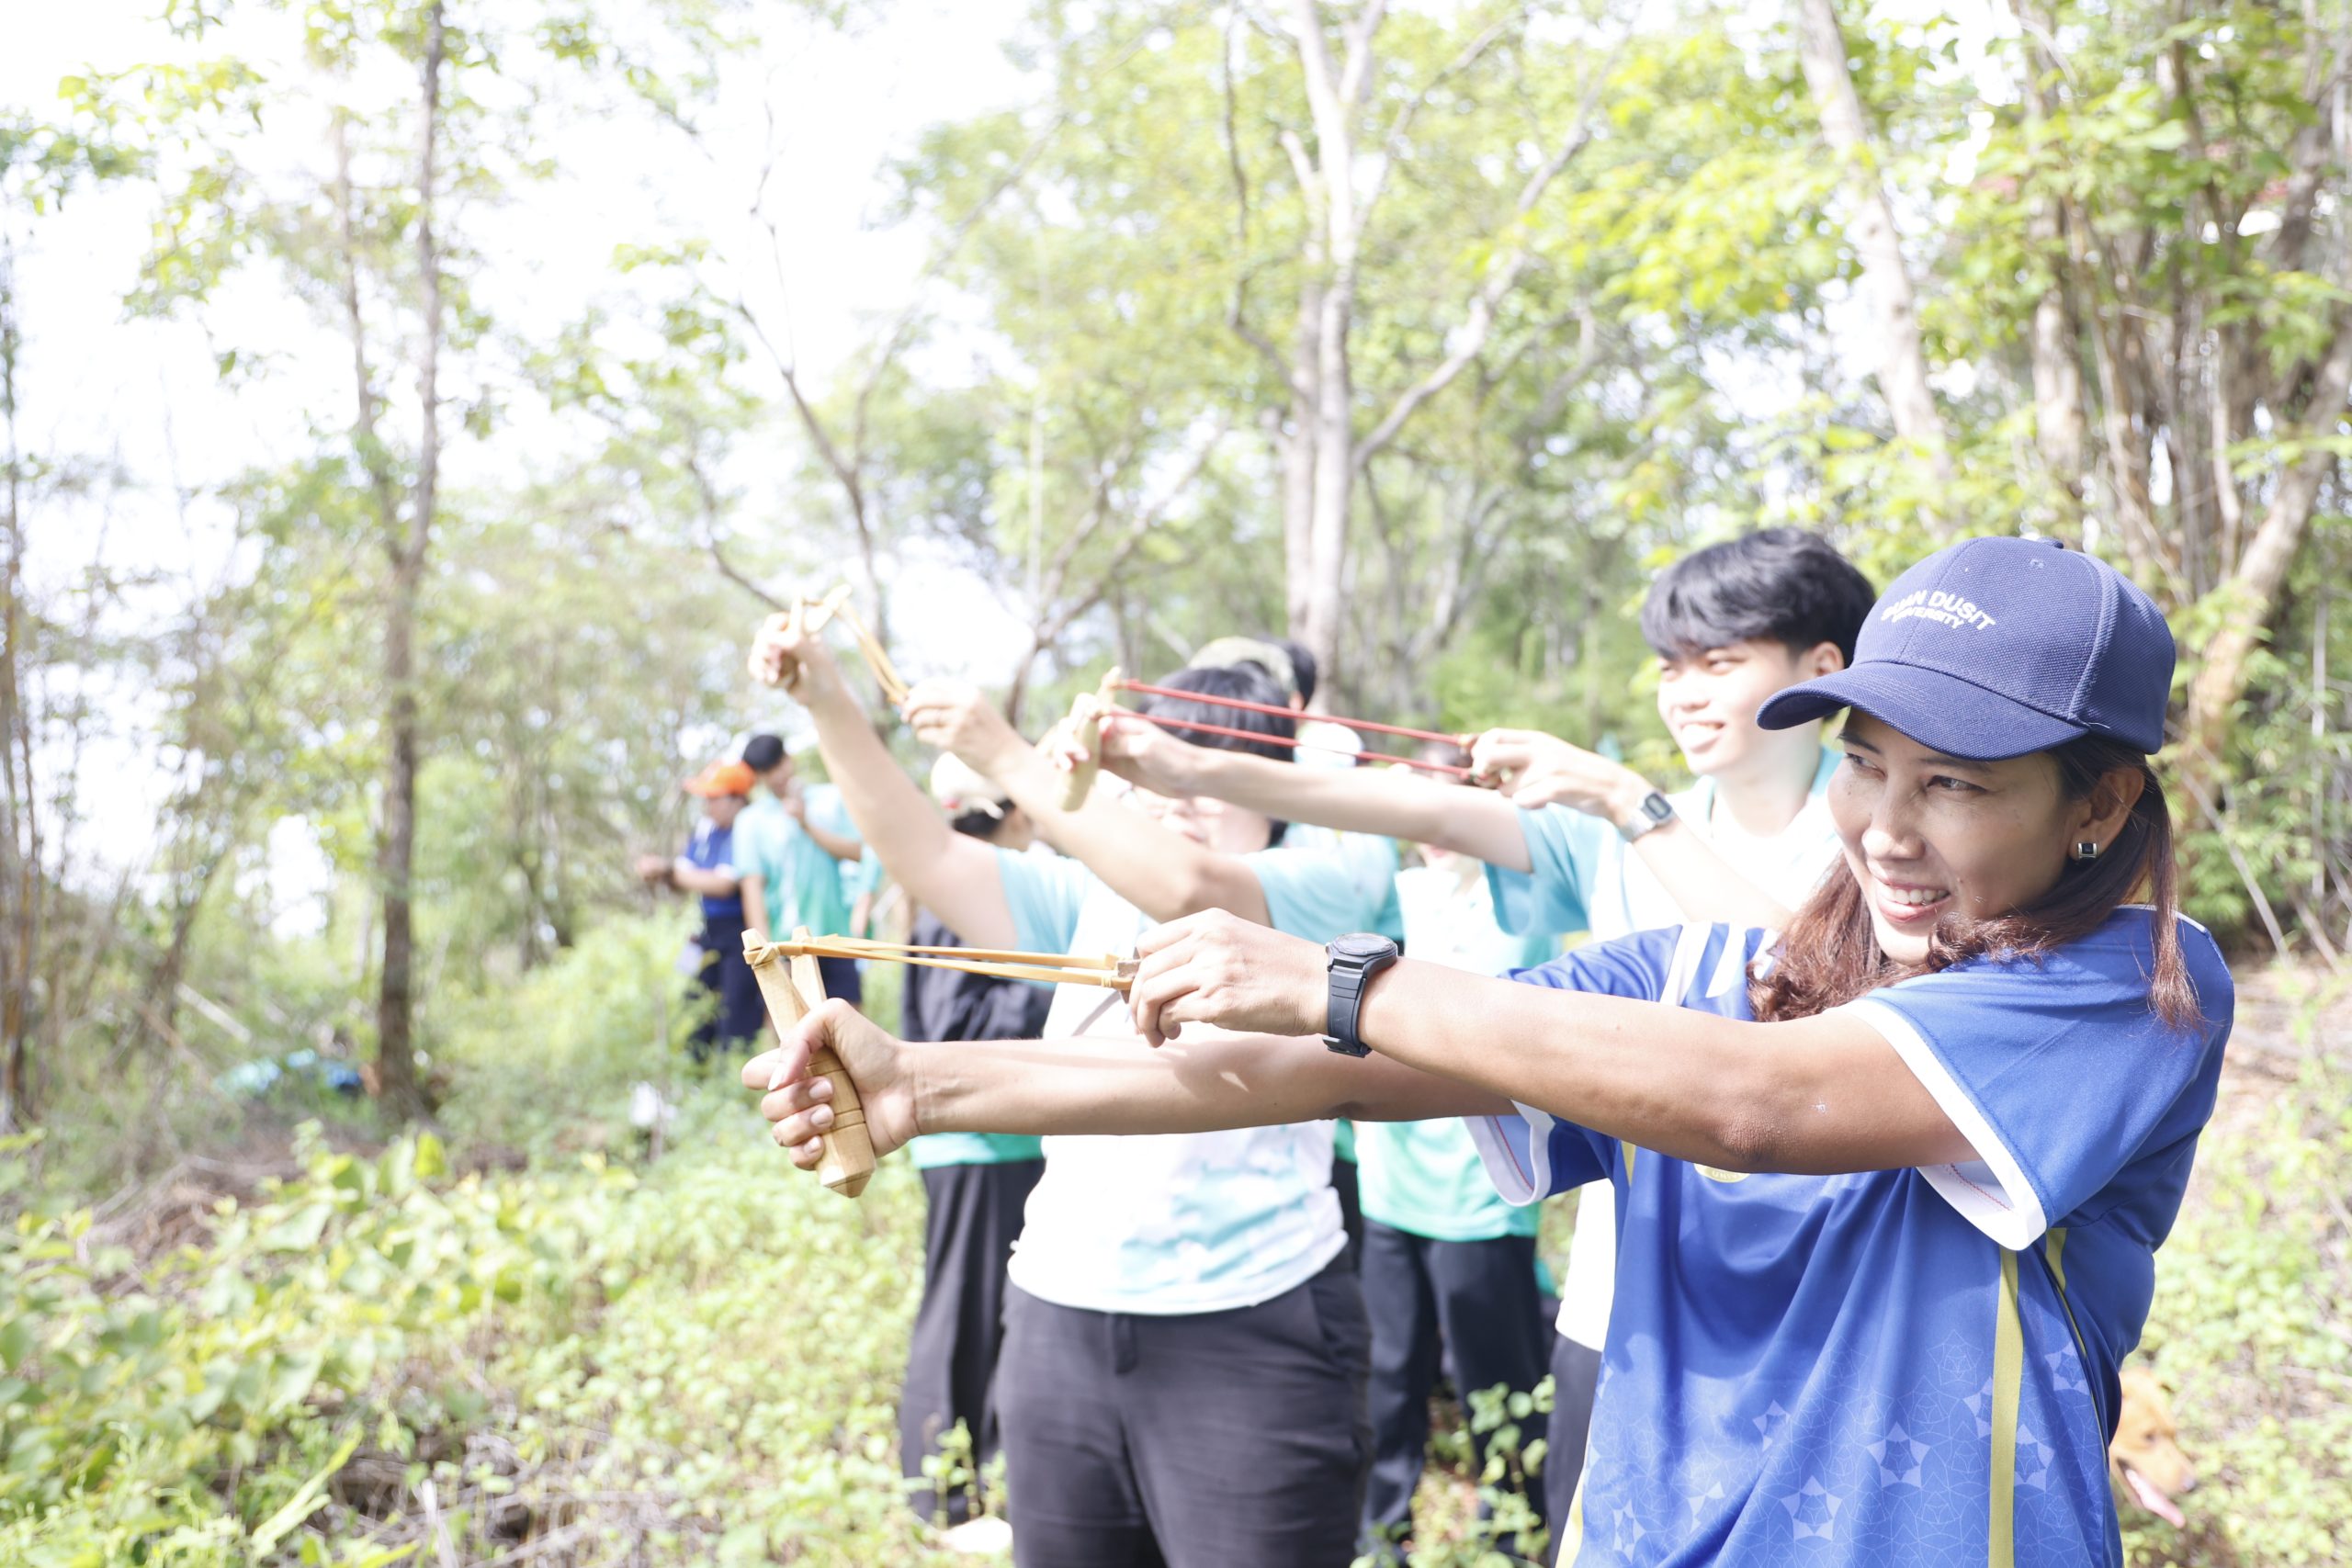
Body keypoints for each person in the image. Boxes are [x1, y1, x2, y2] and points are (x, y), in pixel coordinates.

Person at [753, 536, 2233, 1568]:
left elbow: (1758, 1103)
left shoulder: (2130, 990)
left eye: (1954, 784)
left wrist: (1344, 981)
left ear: (2098, 804)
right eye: (1864, 765)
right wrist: (931, 1085)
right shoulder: (1711, 970)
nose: (1889, 828)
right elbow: (1341, 1069)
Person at [1098, 528, 1876, 1528]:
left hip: (1815, 1307)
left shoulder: (1876, 839)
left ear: (1821, 667)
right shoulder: (1611, 835)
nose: (1683, 693)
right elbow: (1397, 805)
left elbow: (1804, 998)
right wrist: (1188, 764)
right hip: (1622, 1297)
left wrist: (1627, 801)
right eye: (1668, 668)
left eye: (1718, 663)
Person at [746, 621, 1388, 1568]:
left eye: (1209, 772)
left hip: (1255, 1323)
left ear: (1277, 791)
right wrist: (828, 702)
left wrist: (1003, 752)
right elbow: (926, 856)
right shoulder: (1093, 899)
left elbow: (1189, 885)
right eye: (1158, 770)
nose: (1179, 795)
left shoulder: (1323, 884)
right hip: (1055, 1314)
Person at [1356, 742, 1558, 1562]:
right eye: (1421, 807)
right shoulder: (1390, 892)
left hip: (1481, 1189)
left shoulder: (1520, 901)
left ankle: (1510, 1533)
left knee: (1495, 1377)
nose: (1436, 828)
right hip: (1389, 1182)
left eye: (1454, 802)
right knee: (1391, 1369)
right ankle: (1381, 1530)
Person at [897, 755, 1053, 1532]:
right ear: (1011, 814)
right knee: (958, 1313)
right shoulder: (965, 900)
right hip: (971, 1145)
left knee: (997, 1314)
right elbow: (956, 1028)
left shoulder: (985, 891)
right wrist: (1050, 988)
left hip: (1006, 1142)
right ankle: (939, 1499)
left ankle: (985, 1480)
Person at [634, 758, 763, 1057]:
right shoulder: (707, 831)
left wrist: (668, 870)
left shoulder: (746, 831)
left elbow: (723, 883)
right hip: (709, 933)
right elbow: (686, 875)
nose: (708, 806)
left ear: (737, 800)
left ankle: (736, 1077)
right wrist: (665, 874)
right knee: (697, 1010)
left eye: (714, 798)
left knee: (736, 1017)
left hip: (742, 933)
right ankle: (694, 1072)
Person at [737, 733, 869, 1007]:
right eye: (766, 771)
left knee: (850, 1023)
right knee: (793, 1027)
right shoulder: (751, 821)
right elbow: (753, 890)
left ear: (788, 759)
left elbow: (859, 853)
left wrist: (805, 823)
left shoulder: (830, 799)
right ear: (758, 775)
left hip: (835, 939)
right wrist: (766, 956)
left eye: (778, 764)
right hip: (785, 946)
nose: (776, 775)